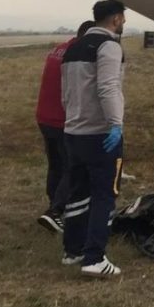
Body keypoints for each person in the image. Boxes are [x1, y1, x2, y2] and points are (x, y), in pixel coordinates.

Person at [60, 0, 128, 277]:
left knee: (77, 192)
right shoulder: (109, 46)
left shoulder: (73, 48)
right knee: (104, 195)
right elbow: (109, 87)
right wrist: (116, 124)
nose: (123, 22)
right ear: (116, 19)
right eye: (123, 17)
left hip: (73, 131)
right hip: (100, 135)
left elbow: (65, 92)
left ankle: (72, 250)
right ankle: (94, 258)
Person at [35, 20, 95, 233]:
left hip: (44, 116)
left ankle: (54, 206)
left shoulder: (59, 49)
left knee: (56, 165)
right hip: (64, 119)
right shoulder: (79, 54)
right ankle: (55, 212)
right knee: (74, 166)